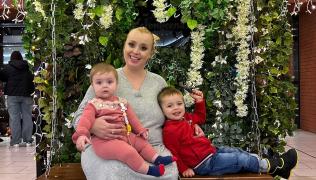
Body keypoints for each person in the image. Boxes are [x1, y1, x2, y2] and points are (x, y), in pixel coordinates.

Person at [73, 27, 206, 179]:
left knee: (167, 172)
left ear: (150, 53)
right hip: (108, 148)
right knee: (114, 171)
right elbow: (79, 118)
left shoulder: (158, 82)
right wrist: (93, 126)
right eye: (131, 44)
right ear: (124, 46)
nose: (135, 51)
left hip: (151, 149)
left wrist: (191, 124)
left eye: (143, 48)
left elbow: (173, 114)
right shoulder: (105, 79)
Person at [158, 87, 298, 179]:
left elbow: (200, 117)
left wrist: (200, 101)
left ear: (183, 103)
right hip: (204, 164)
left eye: (179, 104)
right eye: (170, 106)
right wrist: (183, 169)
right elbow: (173, 153)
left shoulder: (186, 118)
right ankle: (274, 166)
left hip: (211, 152)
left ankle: (270, 164)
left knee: (237, 151)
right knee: (240, 160)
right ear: (162, 110)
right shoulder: (169, 130)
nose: (176, 108)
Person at [72, 63, 176, 177]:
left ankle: (157, 158)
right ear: (92, 85)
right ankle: (148, 170)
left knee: (142, 143)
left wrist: (141, 130)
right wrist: (82, 134)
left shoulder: (121, 102)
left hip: (124, 135)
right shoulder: (93, 105)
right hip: (104, 141)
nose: (104, 86)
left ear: (116, 84)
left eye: (109, 82)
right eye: (99, 83)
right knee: (128, 152)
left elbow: (132, 119)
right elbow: (85, 120)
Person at [0, 51, 34, 147]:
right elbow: (31, 80)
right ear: (21, 58)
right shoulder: (26, 68)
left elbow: (2, 77)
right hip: (26, 95)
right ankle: (28, 140)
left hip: (12, 96)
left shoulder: (8, 68)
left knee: (14, 118)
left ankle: (15, 141)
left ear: (11, 58)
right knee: (27, 117)